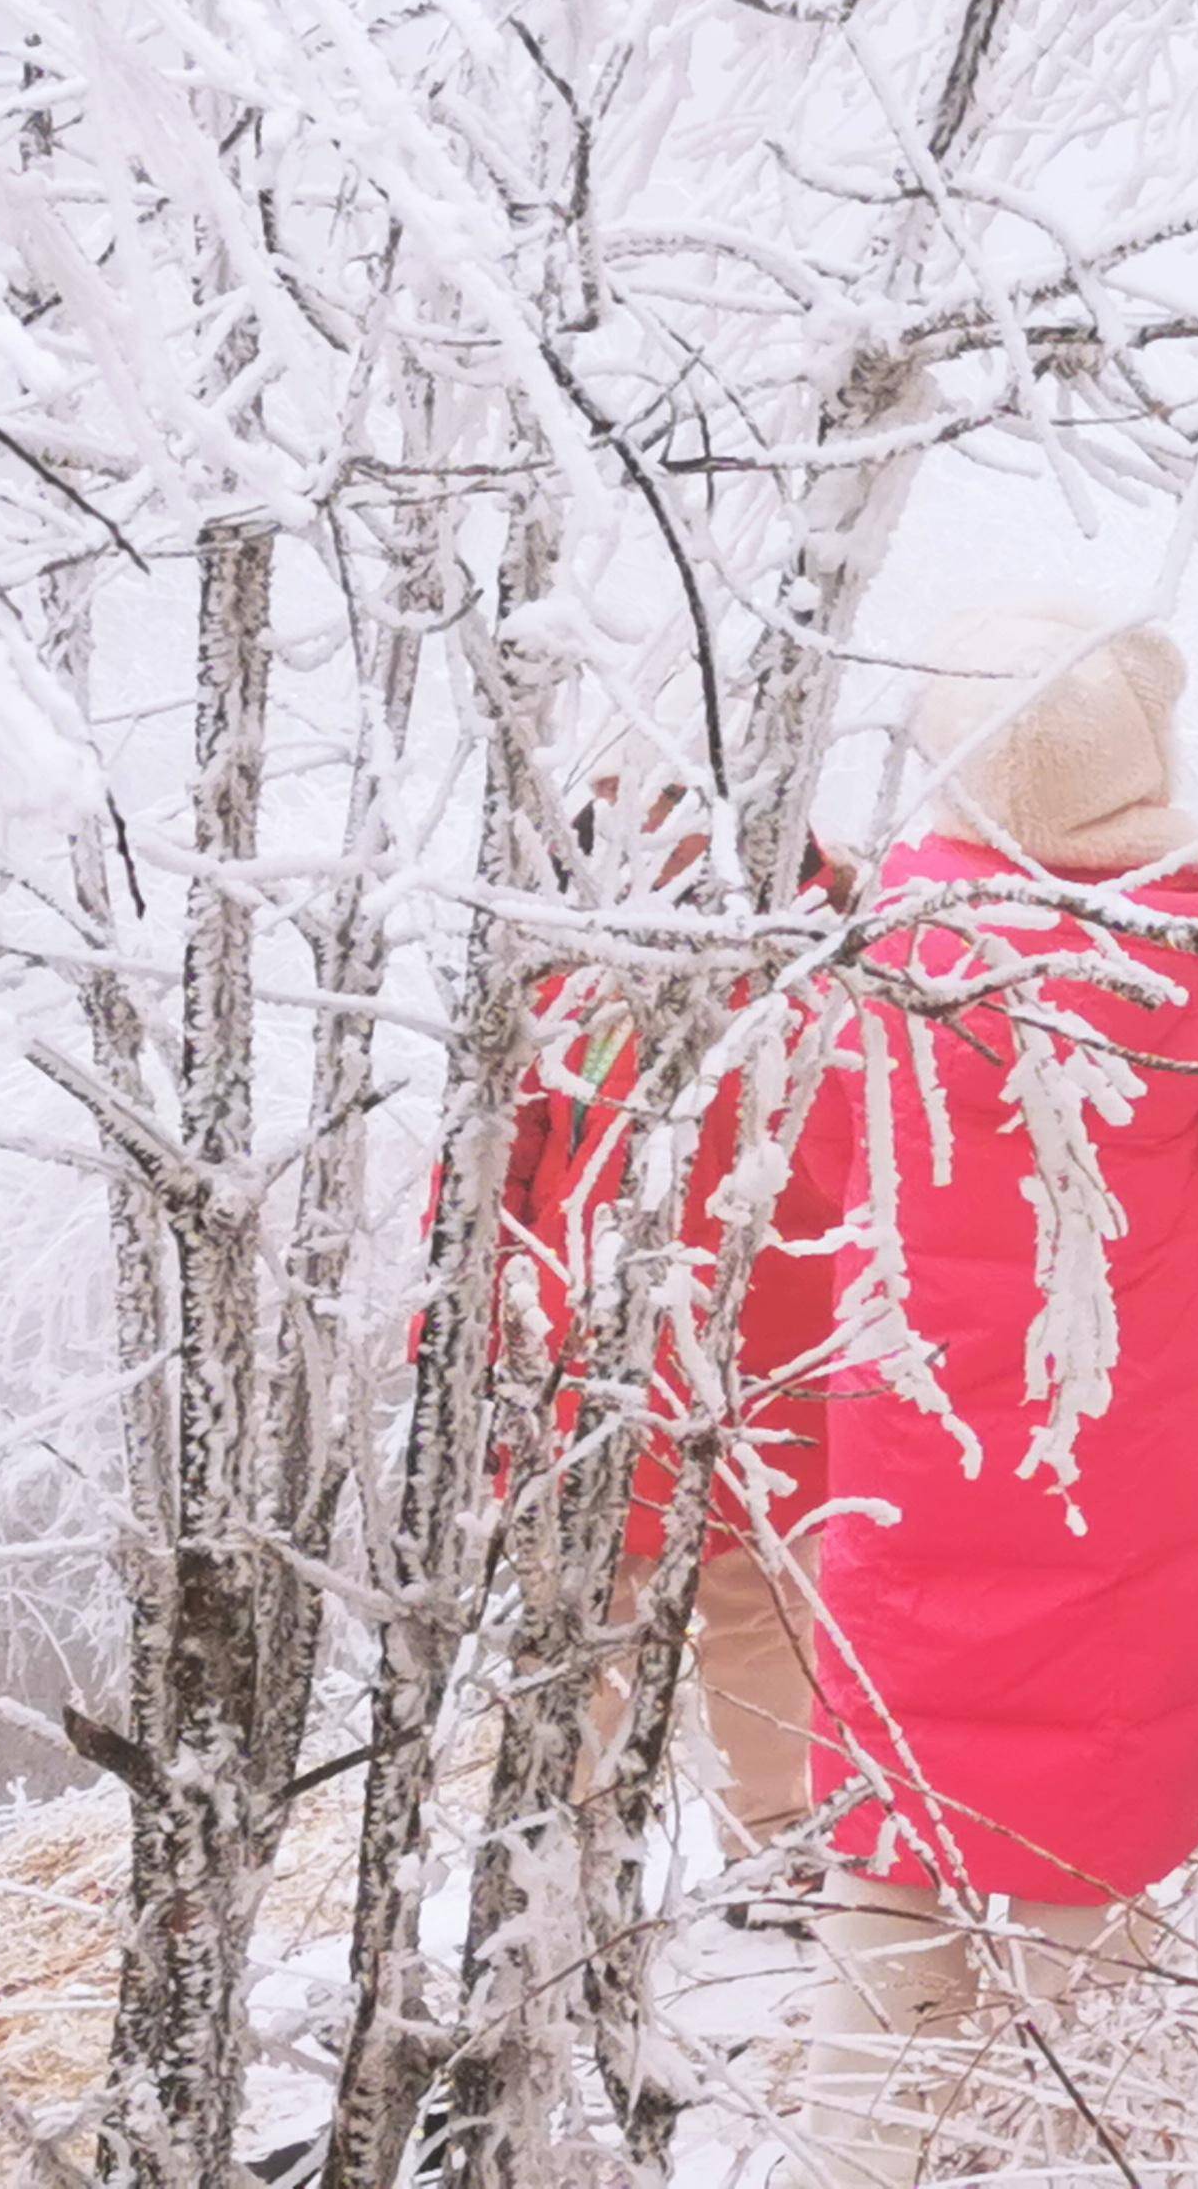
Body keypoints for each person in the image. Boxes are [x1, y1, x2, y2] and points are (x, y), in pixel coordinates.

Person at [792, 606, 1198, 2185]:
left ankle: (855, 2141)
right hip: (1125, 1436)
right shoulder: (1183, 957)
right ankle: (1064, 2126)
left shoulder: (875, 953)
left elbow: (827, 1174)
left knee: (906, 1779)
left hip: (917, 1435)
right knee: (1093, 1768)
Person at [483, 767, 850, 1855]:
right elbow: (493, 1189)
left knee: (758, 1620)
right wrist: (462, 1352)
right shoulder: (569, 987)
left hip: (764, 1367)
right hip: (596, 1372)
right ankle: (567, 1868)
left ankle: (774, 1849)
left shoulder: (821, 972)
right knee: (603, 1631)